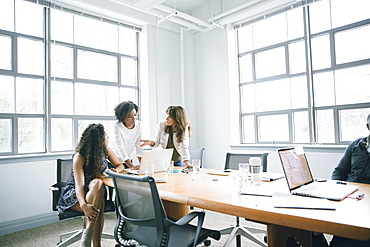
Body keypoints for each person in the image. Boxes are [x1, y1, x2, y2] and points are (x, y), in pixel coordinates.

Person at [57, 123, 124, 247]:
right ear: (98, 140)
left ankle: (87, 237)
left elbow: (120, 165)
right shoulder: (80, 156)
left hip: (94, 190)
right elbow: (79, 185)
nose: (108, 138)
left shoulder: (106, 151)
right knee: (98, 203)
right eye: (106, 136)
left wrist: (116, 171)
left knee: (98, 184)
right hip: (75, 195)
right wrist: (83, 205)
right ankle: (95, 244)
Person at [311, 113, 370, 247]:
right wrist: (337, 190)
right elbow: (339, 172)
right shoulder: (355, 145)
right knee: (310, 220)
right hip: (349, 195)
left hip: (366, 202)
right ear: (368, 126)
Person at [110, 101, 142, 170]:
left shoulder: (139, 125)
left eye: (135, 115)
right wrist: (131, 166)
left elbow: (139, 146)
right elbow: (120, 148)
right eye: (130, 116)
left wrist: (142, 165)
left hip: (128, 160)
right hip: (114, 161)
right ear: (122, 117)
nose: (134, 118)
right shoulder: (117, 126)